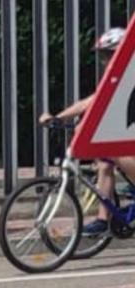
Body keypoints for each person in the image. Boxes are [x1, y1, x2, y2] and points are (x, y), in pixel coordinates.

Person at [39, 27, 132, 236]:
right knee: (104, 163)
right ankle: (102, 219)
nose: (105, 62)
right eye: (103, 56)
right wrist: (58, 117)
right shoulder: (115, 77)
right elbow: (92, 101)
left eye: (109, 55)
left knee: (114, 153)